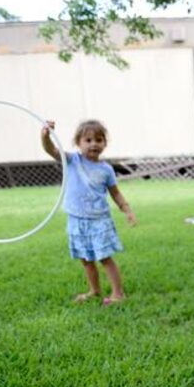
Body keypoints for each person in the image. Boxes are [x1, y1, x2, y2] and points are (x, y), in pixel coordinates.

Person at [41, 120, 137, 305]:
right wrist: (45, 135)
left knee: (104, 258)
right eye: (88, 139)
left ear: (104, 143)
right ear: (79, 142)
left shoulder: (106, 169)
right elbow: (51, 150)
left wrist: (127, 210)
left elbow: (115, 193)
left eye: (99, 140)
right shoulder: (72, 161)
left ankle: (119, 294)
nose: (94, 143)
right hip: (77, 220)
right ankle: (95, 290)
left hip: (99, 220)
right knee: (85, 259)